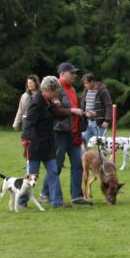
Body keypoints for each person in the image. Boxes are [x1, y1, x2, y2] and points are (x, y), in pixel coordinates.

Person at [20, 75, 66, 208]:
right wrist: (25, 138)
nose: (57, 94)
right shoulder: (36, 102)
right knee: (30, 177)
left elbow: (51, 114)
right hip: (35, 145)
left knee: (53, 172)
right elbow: (29, 121)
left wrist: (55, 104)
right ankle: (22, 201)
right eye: (56, 91)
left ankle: (57, 202)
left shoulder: (48, 101)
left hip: (48, 144)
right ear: (49, 89)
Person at [51, 62, 89, 205]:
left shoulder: (72, 89)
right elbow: (54, 111)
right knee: (56, 165)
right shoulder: (55, 88)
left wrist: (85, 114)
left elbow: (76, 108)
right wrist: (72, 111)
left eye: (75, 73)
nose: (75, 75)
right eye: (71, 73)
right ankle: (45, 194)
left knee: (78, 164)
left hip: (73, 133)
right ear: (62, 74)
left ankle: (76, 196)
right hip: (59, 132)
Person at [80, 73, 113, 142]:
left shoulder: (103, 91)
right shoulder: (86, 90)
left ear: (92, 82)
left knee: (101, 145)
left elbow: (108, 106)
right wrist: (84, 113)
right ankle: (85, 153)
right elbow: (83, 104)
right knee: (83, 144)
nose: (84, 85)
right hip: (87, 122)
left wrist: (107, 120)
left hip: (99, 123)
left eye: (86, 83)